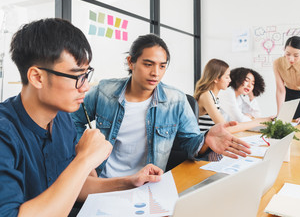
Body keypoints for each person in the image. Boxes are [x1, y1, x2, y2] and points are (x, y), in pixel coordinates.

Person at [0, 19, 163, 217]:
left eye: (86, 75)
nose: (85, 86)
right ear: (37, 77)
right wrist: (84, 159)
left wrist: (130, 182)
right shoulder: (5, 133)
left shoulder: (63, 120)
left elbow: (75, 186)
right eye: (77, 76)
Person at [71, 34, 251, 177]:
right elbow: (72, 120)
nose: (155, 73)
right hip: (103, 181)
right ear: (131, 62)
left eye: (162, 66)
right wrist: (85, 157)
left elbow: (191, 143)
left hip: (147, 183)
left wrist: (206, 141)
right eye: (148, 64)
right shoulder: (104, 91)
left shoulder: (176, 101)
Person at [194, 59, 271, 134]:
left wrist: (259, 120)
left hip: (213, 140)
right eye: (227, 77)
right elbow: (224, 128)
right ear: (216, 79)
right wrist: (258, 122)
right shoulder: (207, 95)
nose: (230, 80)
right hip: (205, 142)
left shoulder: (214, 97)